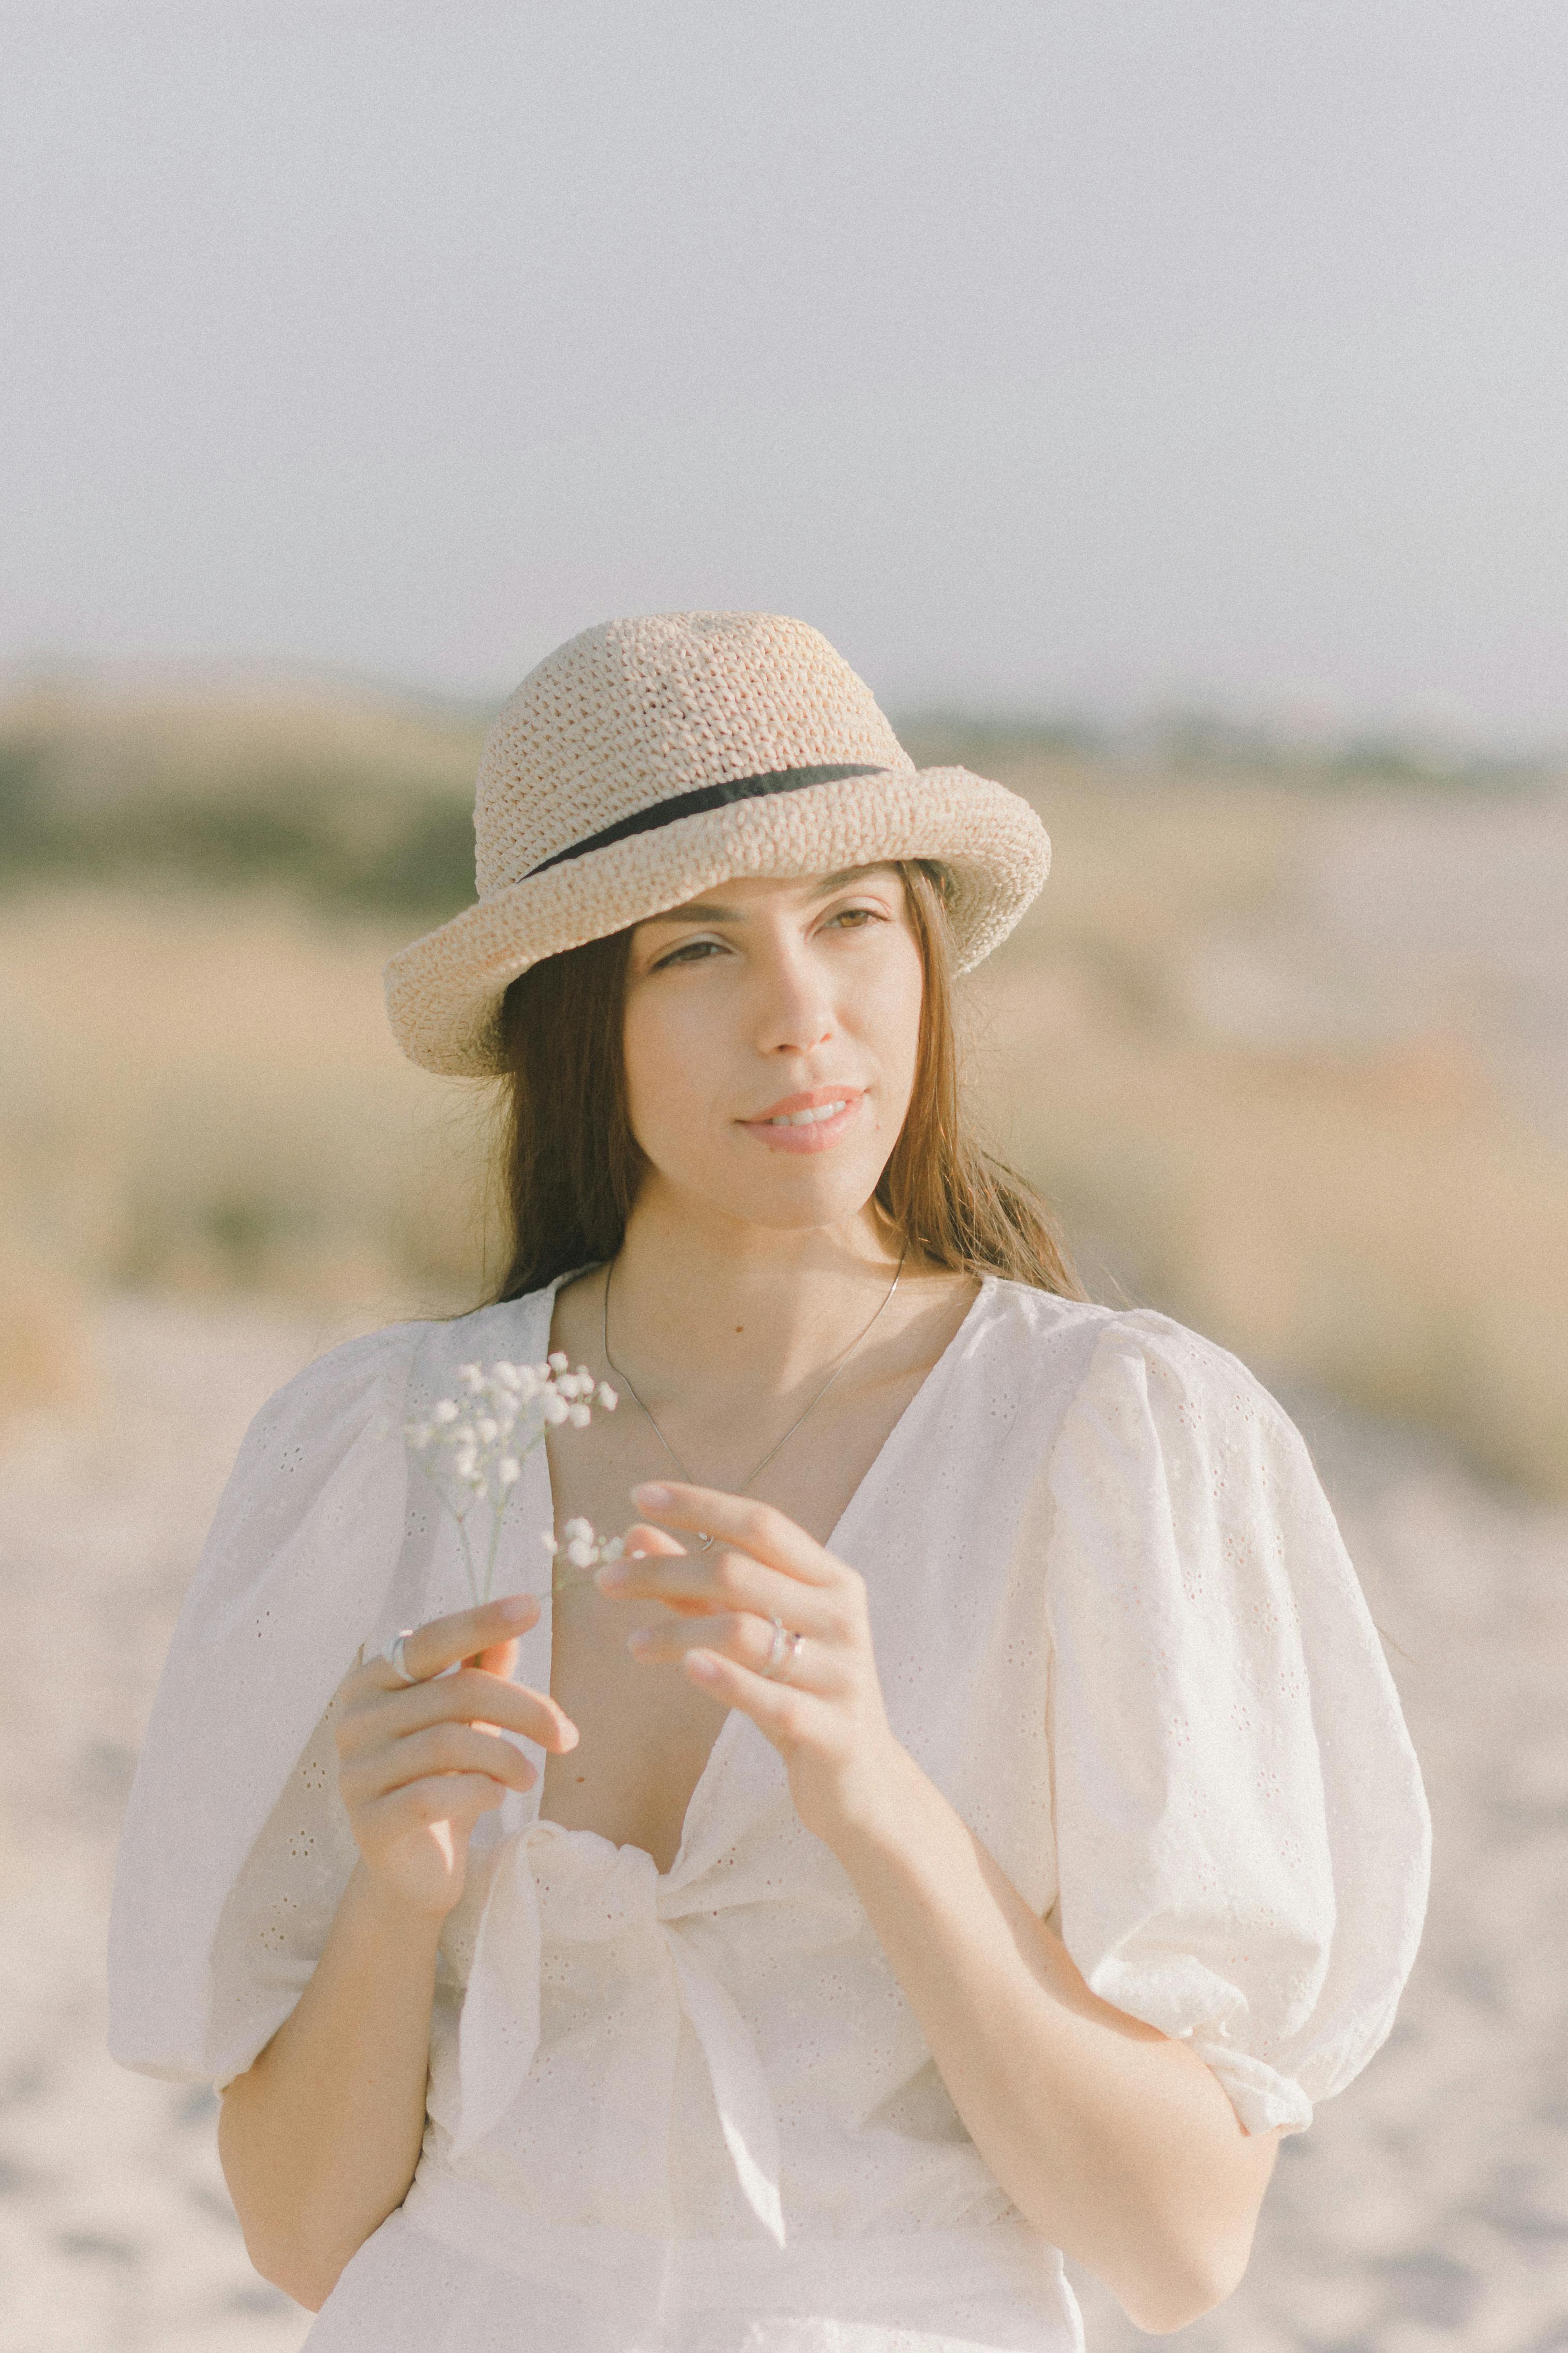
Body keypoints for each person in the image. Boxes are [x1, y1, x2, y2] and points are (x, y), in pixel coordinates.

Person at [108, 612, 1430, 2352]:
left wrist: (878, 1797)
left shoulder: (1110, 1437)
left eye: (855, 920)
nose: (804, 1017)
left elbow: (1182, 2245)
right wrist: (398, 1892)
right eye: (696, 950)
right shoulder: (401, 1440)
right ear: (581, 1020)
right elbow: (298, 2234)